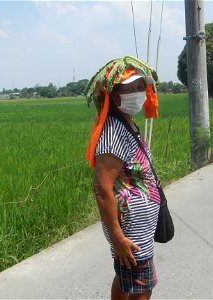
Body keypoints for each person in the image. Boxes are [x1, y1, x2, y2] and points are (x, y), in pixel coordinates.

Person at [84, 56, 161, 300]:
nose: (138, 93)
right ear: (113, 95)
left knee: (126, 277)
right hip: (129, 230)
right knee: (142, 288)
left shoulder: (126, 123)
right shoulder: (114, 132)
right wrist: (118, 238)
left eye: (141, 87)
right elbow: (101, 189)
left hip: (136, 227)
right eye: (130, 88)